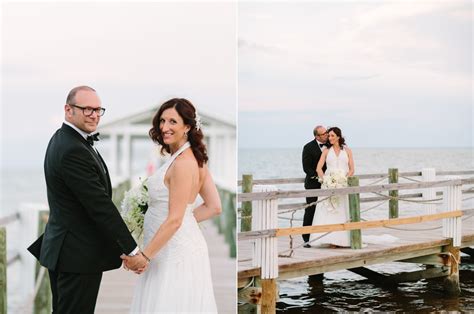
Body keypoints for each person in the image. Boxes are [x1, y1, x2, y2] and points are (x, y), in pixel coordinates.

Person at [27, 86, 148, 313]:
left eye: (97, 109)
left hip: (69, 250)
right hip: (76, 255)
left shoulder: (66, 139)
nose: (93, 114)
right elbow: (99, 205)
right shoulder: (72, 149)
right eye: (86, 109)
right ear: (68, 110)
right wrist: (132, 250)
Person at [126, 98, 222, 313]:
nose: (164, 127)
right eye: (162, 121)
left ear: (187, 126)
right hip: (176, 244)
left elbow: (175, 218)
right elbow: (214, 206)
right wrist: (183, 224)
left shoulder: (183, 164)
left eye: (172, 122)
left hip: (172, 253)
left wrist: (144, 256)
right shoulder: (194, 159)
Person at [310, 127, 355, 247]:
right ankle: (329, 239)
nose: (329, 138)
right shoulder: (325, 151)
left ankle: (343, 240)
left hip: (343, 185)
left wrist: (344, 180)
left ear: (338, 137)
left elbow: (352, 169)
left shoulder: (348, 151)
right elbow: (318, 168)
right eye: (328, 136)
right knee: (329, 212)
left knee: (341, 211)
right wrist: (325, 180)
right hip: (328, 185)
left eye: (332, 136)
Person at [301, 125, 328, 248]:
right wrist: (320, 178)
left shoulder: (330, 145)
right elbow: (306, 168)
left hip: (329, 184)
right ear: (317, 136)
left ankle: (324, 235)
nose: (326, 135)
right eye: (323, 134)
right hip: (313, 184)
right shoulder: (308, 147)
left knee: (327, 209)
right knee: (311, 209)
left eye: (326, 132)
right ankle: (306, 237)